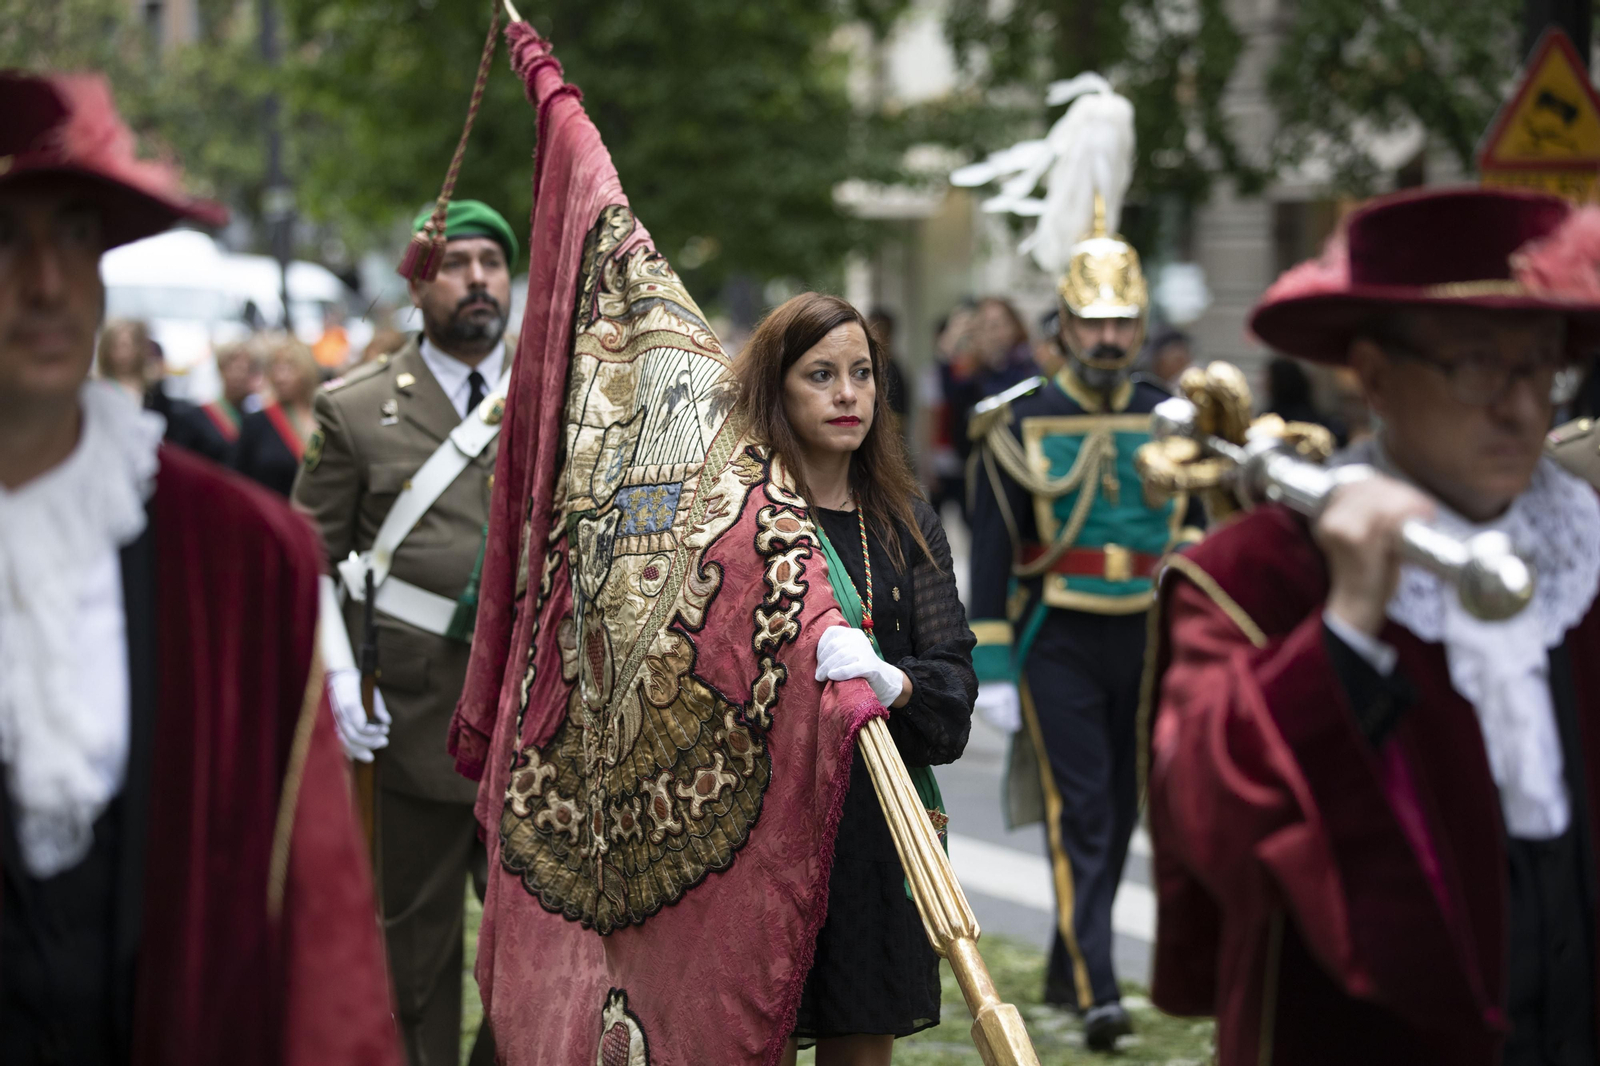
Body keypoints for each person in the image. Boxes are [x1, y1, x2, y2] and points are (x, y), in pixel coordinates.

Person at [1147, 186, 1600, 1064]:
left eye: (1537, 366)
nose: (1517, 408)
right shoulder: (1254, 576)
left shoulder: (1585, 545)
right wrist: (1348, 623)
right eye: (1477, 365)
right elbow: (1210, 827)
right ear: (1376, 376)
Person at [0, 70, 398, 1064]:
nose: (46, 283)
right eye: (4, 238)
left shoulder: (233, 553)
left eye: (77, 236)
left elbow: (320, 922)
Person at [960, 78, 1193, 1049]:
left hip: (1145, 632)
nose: (1105, 339)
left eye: (1120, 324)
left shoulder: (1176, 417)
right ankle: (1100, 987)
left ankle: (1067, 957)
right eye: (1090, 323)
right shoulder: (1015, 420)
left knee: (1127, 811)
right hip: (1057, 632)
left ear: (1138, 326)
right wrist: (996, 669)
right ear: (1061, 322)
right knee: (1084, 811)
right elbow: (989, 555)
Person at [292, 198, 518, 1066]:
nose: (477, 281)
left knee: (539, 955)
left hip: (527, 726)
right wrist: (339, 680)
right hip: (409, 717)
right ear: (421, 284)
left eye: (491, 264)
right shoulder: (356, 410)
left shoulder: (555, 402)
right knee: (410, 961)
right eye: (457, 265)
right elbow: (303, 559)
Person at [732, 293, 975, 1066]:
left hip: (876, 823)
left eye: (862, 373)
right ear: (777, 388)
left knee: (861, 1040)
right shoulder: (735, 521)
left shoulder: (905, 520)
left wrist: (891, 681)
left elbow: (953, 686)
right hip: (757, 829)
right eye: (821, 375)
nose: (847, 394)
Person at [945, 296, 1037, 466]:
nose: (994, 333)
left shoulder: (1027, 364)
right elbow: (955, 403)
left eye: (999, 324)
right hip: (979, 461)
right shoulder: (972, 371)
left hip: (1019, 457)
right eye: (986, 326)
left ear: (1014, 327)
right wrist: (951, 345)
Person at [237, 333, 318, 497]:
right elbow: (238, 477)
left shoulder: (325, 418)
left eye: (290, 367)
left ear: (307, 369)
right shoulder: (257, 422)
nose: (280, 376)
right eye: (276, 368)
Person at [198, 339, 263, 459]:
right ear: (221, 370)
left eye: (247, 370)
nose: (240, 376)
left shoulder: (257, 420)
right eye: (235, 369)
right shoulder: (200, 416)